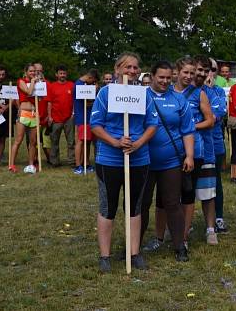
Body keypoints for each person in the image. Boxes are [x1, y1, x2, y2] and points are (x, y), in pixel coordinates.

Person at [91, 52, 158, 273]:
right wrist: (116, 142)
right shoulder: (105, 93)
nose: (132, 71)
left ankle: (134, 252)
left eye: (135, 68)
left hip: (139, 159)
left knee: (134, 207)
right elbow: (96, 125)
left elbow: (152, 124)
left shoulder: (144, 94)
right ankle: (105, 256)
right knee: (108, 207)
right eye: (127, 67)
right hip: (109, 160)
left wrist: (137, 143)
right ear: (117, 69)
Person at [142, 60, 195, 262]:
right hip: (143, 161)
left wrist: (189, 156)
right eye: (161, 77)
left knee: (173, 203)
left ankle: (179, 246)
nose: (164, 81)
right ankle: (135, 246)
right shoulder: (140, 96)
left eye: (168, 77)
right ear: (153, 76)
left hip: (171, 161)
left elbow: (188, 130)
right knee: (142, 204)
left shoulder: (179, 99)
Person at [174, 56, 219, 246]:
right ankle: (183, 227)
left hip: (204, 149)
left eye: (203, 71)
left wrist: (190, 127)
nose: (200, 74)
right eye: (197, 70)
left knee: (207, 192)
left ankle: (210, 229)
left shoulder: (206, 92)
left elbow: (212, 119)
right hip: (178, 150)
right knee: (182, 191)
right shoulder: (173, 90)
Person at [206, 57, 229, 233]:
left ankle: (218, 217)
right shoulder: (192, 91)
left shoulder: (220, 91)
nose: (209, 73)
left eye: (213, 69)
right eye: (206, 69)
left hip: (215, 143)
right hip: (195, 143)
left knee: (216, 182)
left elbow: (218, 113)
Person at [9, 64, 39, 174]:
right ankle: (11, 164)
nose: (33, 73)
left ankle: (31, 164)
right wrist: (32, 82)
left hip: (33, 113)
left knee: (33, 141)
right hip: (23, 113)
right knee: (19, 140)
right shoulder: (20, 81)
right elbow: (29, 92)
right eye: (31, 71)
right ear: (25, 72)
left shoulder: (37, 83)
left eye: (34, 71)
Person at [47, 65, 75, 167]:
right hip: (55, 118)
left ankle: (72, 161)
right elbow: (49, 102)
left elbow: (75, 101)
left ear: (66, 74)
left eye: (64, 73)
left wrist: (73, 113)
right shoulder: (52, 86)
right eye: (60, 73)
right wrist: (49, 116)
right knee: (54, 141)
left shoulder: (72, 85)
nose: (62, 75)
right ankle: (54, 162)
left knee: (71, 141)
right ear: (56, 75)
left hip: (69, 118)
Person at [73, 69, 99, 175]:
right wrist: (94, 90)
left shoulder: (85, 84)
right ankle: (78, 165)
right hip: (81, 118)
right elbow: (86, 103)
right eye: (93, 81)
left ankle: (86, 163)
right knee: (80, 141)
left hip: (88, 117)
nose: (93, 83)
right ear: (90, 77)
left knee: (87, 141)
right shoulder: (79, 85)